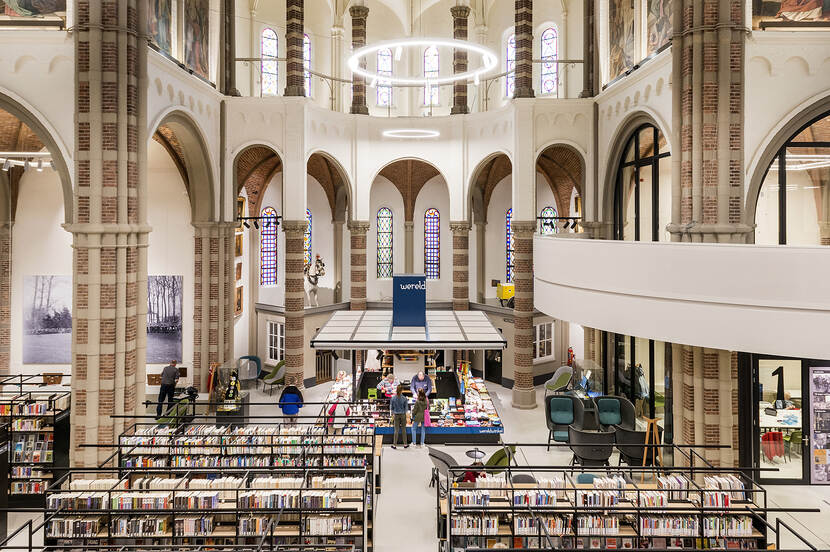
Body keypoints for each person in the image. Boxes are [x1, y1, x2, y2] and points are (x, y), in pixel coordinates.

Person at [389, 384, 409, 449]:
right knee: (404, 429)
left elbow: (391, 407)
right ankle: (405, 444)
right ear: (402, 390)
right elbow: (406, 409)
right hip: (403, 415)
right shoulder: (404, 398)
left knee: (396, 430)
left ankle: (394, 445)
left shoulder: (393, 398)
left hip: (396, 415)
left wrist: (392, 414)